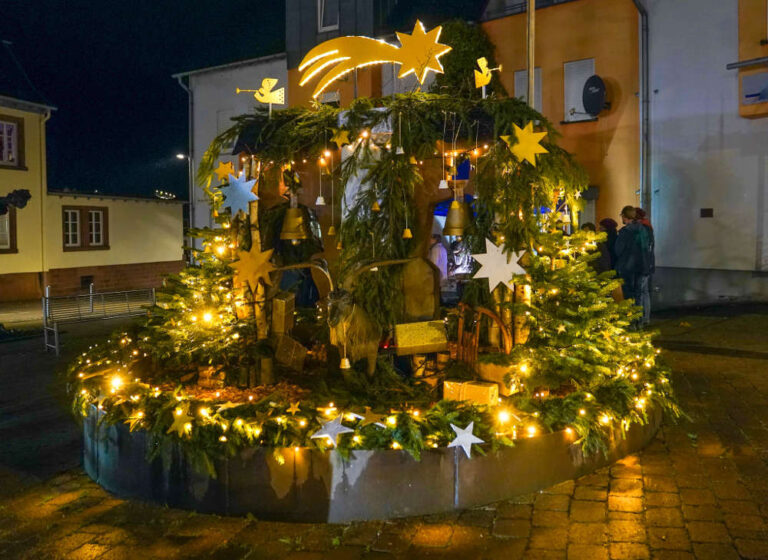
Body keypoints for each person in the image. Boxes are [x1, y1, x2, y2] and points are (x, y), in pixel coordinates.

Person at [614, 206, 652, 325]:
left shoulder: (625, 232)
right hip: (643, 266)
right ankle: (640, 321)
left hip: (628, 267)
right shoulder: (644, 229)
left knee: (629, 295)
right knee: (640, 294)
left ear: (625, 217)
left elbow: (618, 250)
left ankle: (631, 322)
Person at [635, 208, 655, 327]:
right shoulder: (648, 227)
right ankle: (646, 317)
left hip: (642, 264)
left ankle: (641, 319)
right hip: (648, 263)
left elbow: (642, 248)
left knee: (640, 292)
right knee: (645, 292)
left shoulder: (642, 229)